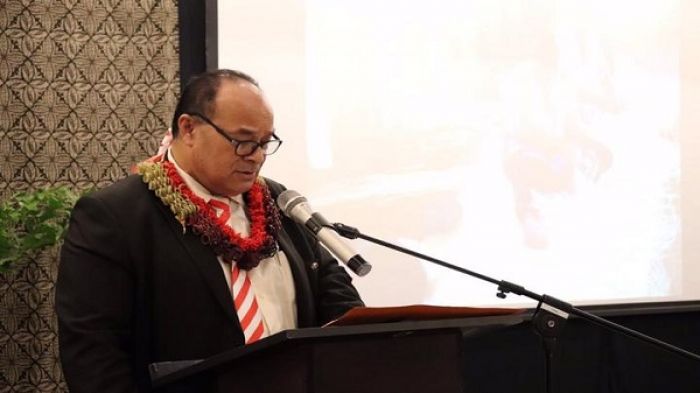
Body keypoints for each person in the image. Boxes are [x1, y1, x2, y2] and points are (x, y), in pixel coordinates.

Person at [55, 69, 364, 393]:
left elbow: (339, 303)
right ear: (188, 129)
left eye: (265, 142)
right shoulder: (115, 216)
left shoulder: (279, 203)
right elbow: (93, 357)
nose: (257, 156)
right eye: (243, 142)